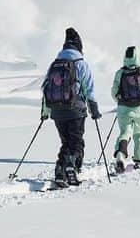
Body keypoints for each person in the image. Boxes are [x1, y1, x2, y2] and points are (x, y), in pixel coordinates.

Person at [41, 27, 101, 187]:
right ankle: (71, 165)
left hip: (57, 111)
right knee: (76, 142)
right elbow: (89, 89)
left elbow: (45, 88)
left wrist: (45, 112)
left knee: (66, 142)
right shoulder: (81, 63)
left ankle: (60, 170)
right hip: (76, 110)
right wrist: (94, 110)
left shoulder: (54, 64)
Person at [111, 45, 140, 173]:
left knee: (125, 133)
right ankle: (139, 161)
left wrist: (120, 102)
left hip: (123, 108)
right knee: (139, 134)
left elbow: (114, 91)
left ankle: (120, 154)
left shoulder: (120, 73)